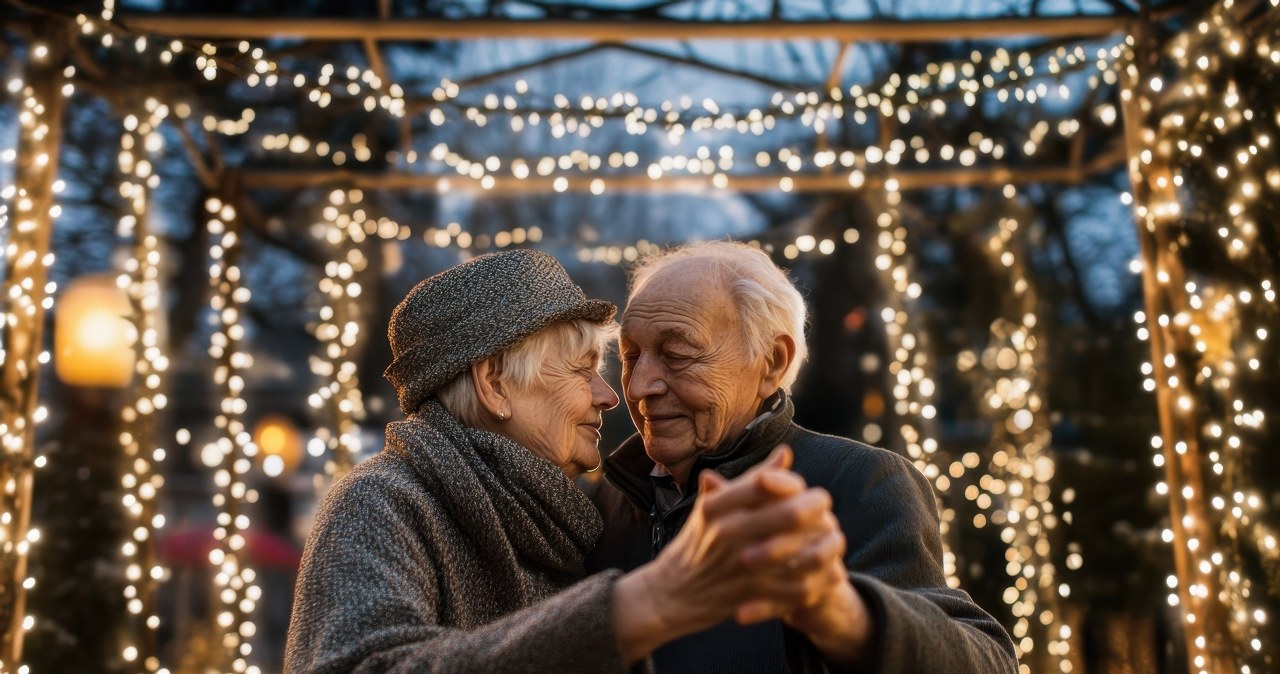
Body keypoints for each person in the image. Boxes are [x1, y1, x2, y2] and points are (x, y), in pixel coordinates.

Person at [285, 250, 843, 673]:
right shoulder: (381, 502)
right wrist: (634, 607)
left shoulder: (576, 514)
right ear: (495, 384)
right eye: (582, 369)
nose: (610, 395)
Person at [585, 241, 1020, 672]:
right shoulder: (606, 503)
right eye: (630, 356)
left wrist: (844, 612)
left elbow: (990, 662)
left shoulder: (860, 481)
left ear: (772, 362)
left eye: (676, 354)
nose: (640, 387)